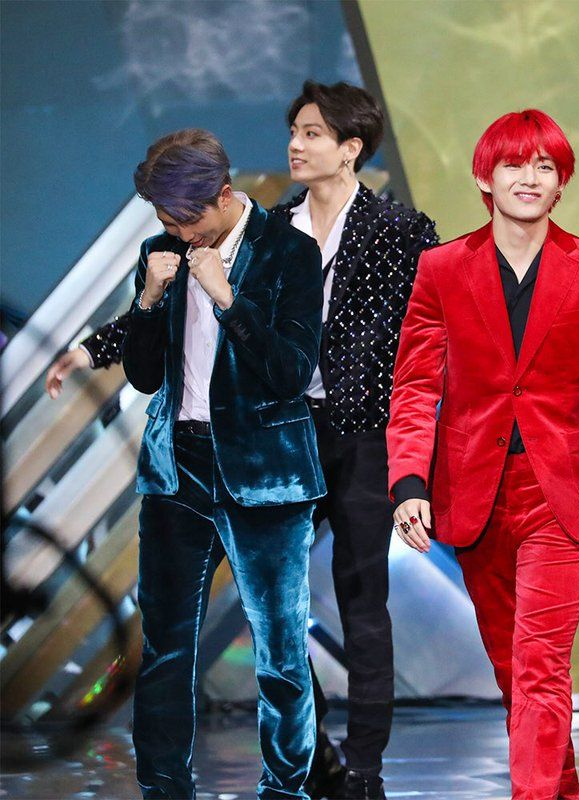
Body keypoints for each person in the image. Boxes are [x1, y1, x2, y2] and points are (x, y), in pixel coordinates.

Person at [45, 81, 438, 800]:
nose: (296, 145)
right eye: (294, 131)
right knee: (194, 639)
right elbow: (149, 358)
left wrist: (228, 298)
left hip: (324, 444)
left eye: (313, 133)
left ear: (350, 148)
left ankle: (341, 775)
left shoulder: (359, 238)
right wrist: (117, 325)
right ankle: (237, 774)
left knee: (327, 622)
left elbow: (392, 342)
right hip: (217, 451)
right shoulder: (210, 237)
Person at [386, 109, 579, 800]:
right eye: (514, 164)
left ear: (561, 182)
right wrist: (409, 481)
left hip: (562, 490)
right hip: (472, 491)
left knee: (540, 665)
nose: (530, 178)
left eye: (545, 166)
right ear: (485, 176)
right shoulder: (442, 270)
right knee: (514, 672)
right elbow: (415, 386)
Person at [123, 129, 324, 799]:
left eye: (189, 220)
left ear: (225, 194)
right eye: (167, 221)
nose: (180, 233)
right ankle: (163, 789)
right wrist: (148, 301)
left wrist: (229, 300)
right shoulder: (159, 254)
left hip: (267, 473)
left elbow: (290, 373)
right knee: (165, 648)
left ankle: (285, 790)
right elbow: (144, 376)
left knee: (281, 650)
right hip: (178, 469)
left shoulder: (290, 251)